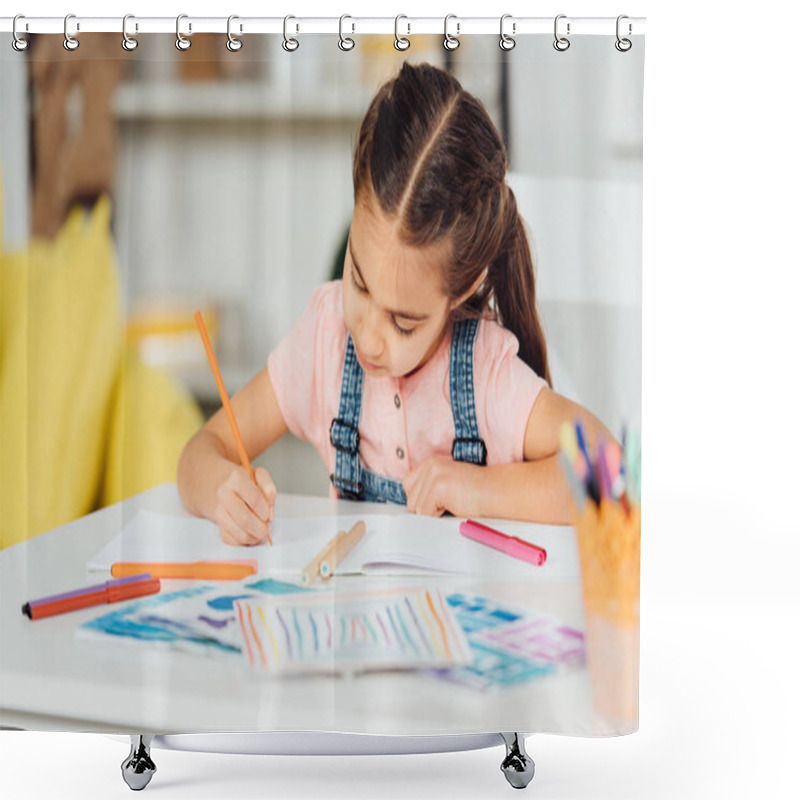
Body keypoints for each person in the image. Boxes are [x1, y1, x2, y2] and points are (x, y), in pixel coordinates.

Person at [177, 61, 616, 547]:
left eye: (404, 323)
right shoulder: (324, 339)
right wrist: (223, 491)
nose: (367, 336)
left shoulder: (481, 371)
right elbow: (200, 451)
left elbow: (607, 473)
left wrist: (474, 487)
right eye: (359, 284)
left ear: (464, 288)